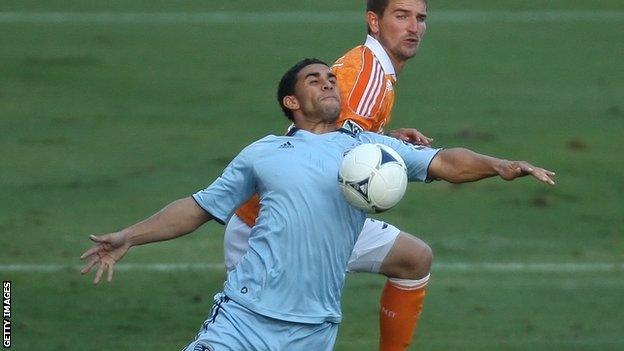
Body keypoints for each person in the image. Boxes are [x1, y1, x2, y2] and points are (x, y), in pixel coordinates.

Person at [81, 58, 555, 350]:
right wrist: (129, 236)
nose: (329, 82)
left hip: (315, 329)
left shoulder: (370, 149)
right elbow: (200, 207)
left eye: (332, 77)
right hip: (246, 319)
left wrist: (499, 164)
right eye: (314, 79)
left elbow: (444, 162)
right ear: (291, 100)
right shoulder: (263, 152)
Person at [229, 1, 437, 349]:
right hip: (279, 228)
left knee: (415, 259)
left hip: (302, 212)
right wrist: (405, 159)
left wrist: (386, 141)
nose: (413, 27)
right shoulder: (366, 78)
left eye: (420, 18)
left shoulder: (367, 68)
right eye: (401, 16)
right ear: (374, 21)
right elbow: (326, 151)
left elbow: (332, 138)